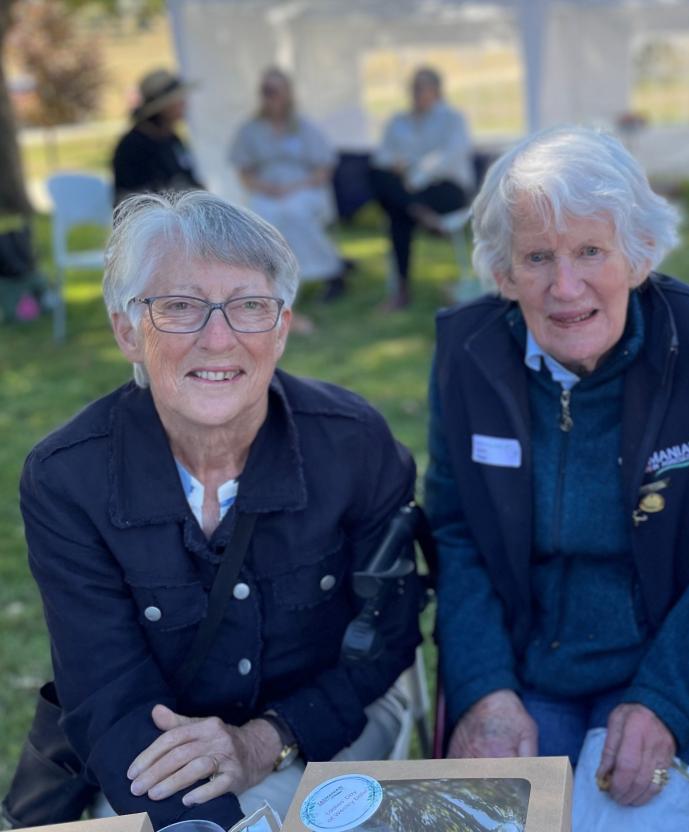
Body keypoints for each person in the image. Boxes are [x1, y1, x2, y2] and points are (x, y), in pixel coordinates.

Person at [426, 126, 689, 818]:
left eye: (591, 251)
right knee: (502, 817)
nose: (565, 287)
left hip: (688, 668)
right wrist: (484, 689)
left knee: (619, 818)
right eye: (537, 257)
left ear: (639, 256)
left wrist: (665, 697)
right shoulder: (468, 353)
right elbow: (457, 535)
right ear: (504, 275)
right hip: (530, 673)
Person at [20, 191, 423, 827]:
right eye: (179, 307)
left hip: (325, 724)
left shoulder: (353, 443)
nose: (218, 339)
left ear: (282, 329)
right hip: (155, 749)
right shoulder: (67, 479)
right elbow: (107, 689)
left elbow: (386, 642)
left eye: (249, 307)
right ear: (127, 331)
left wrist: (264, 741)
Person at [230, 67, 347, 301]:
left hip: (304, 187)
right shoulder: (250, 130)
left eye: (274, 91)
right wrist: (266, 188)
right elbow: (244, 173)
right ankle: (270, 282)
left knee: (295, 212)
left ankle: (328, 271)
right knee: (262, 217)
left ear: (287, 94)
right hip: (267, 190)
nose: (270, 97)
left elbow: (324, 168)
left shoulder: (304, 127)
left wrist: (295, 186)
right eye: (266, 91)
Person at [369, 66, 472, 310]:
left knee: (397, 211)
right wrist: (396, 165)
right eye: (414, 87)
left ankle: (401, 292)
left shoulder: (453, 119)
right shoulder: (397, 121)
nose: (417, 93)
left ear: (436, 90)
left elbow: (450, 156)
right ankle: (419, 212)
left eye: (422, 87)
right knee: (378, 179)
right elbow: (381, 156)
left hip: (444, 188)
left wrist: (415, 177)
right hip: (410, 191)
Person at [112, 69, 204, 205]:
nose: (184, 104)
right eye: (178, 100)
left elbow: (188, 179)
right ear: (164, 107)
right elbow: (133, 197)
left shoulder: (172, 139)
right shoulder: (132, 146)